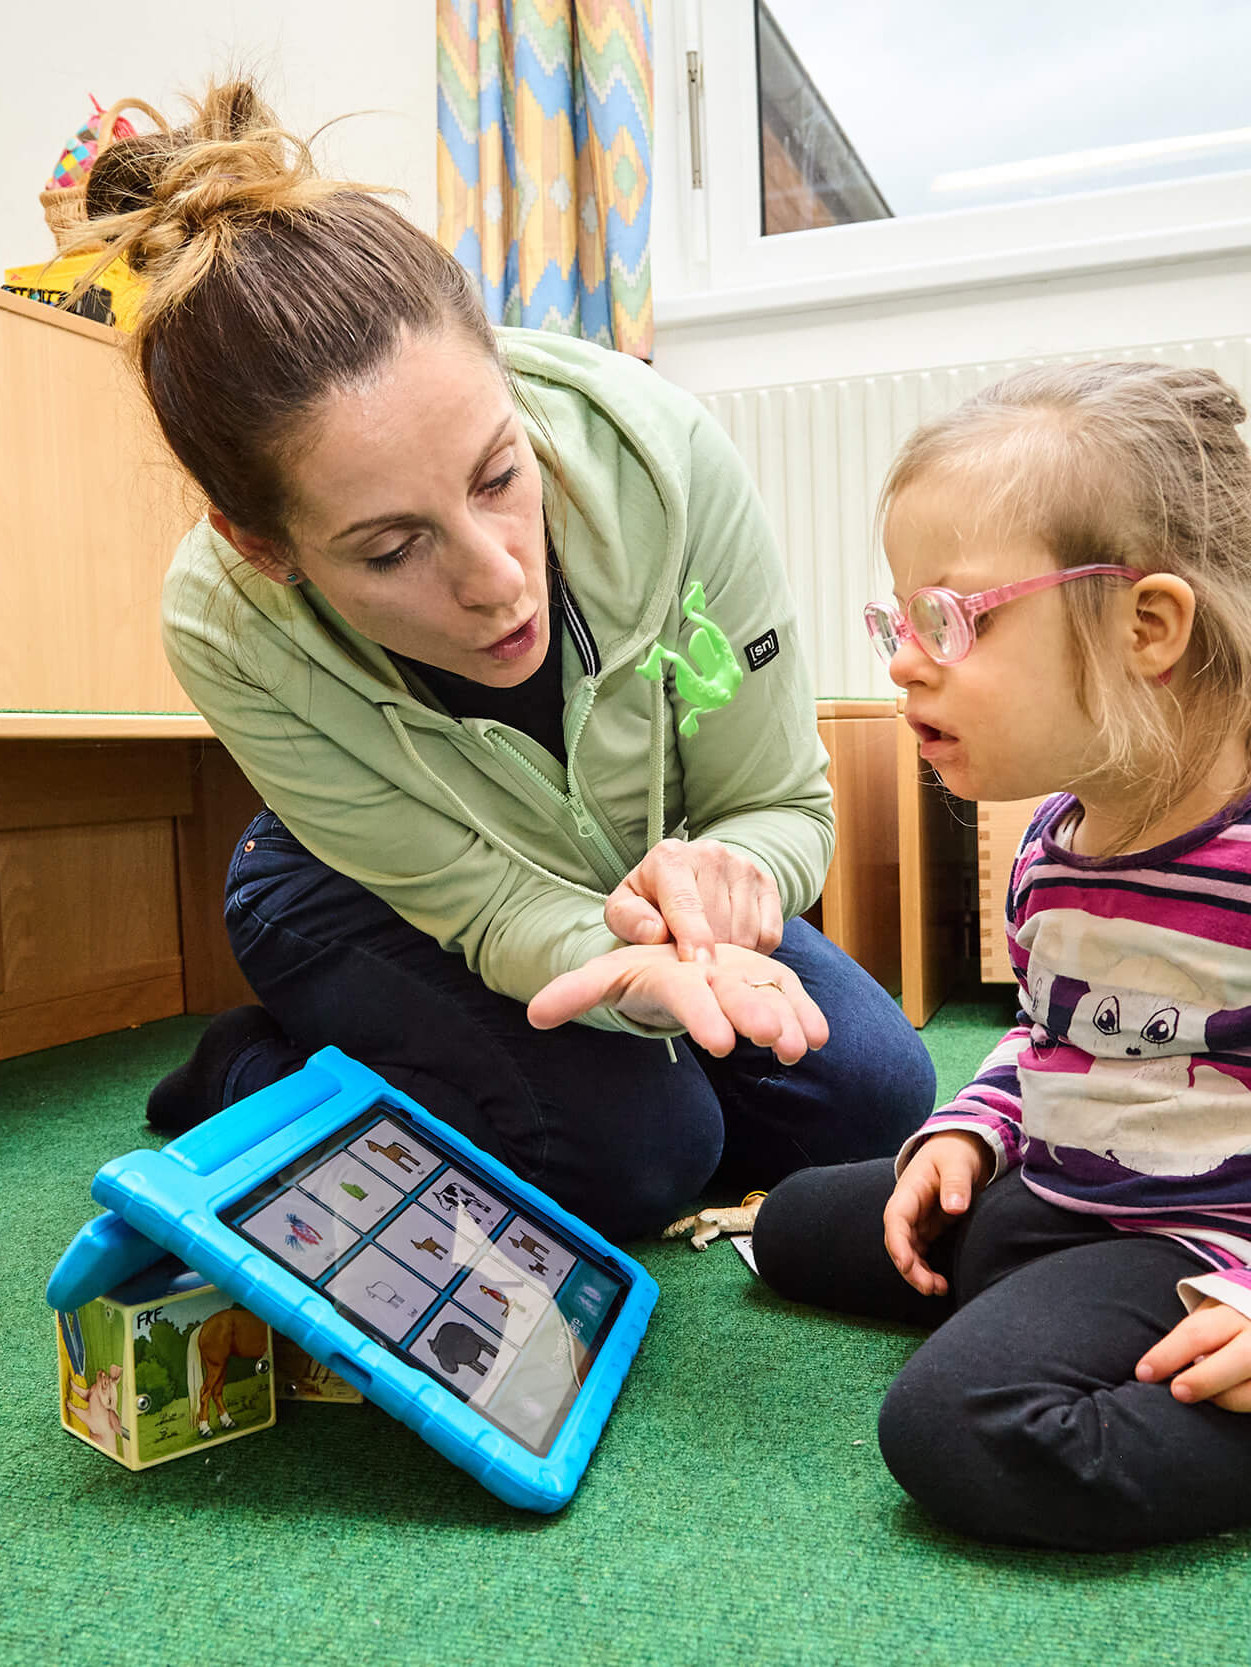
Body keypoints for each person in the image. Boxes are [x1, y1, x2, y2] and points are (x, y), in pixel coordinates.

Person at [73, 82, 935, 1244]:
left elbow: (777, 800)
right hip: (361, 892)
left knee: (874, 1100)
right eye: (392, 547)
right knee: (639, 1157)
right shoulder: (223, 620)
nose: (497, 580)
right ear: (263, 546)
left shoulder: (665, 458)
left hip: (607, 876)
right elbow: (489, 906)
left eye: (498, 476)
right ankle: (245, 1070)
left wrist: (736, 874)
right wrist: (629, 983)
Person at [744, 359, 1251, 1550]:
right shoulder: (1054, 844)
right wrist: (973, 1127)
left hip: (1200, 1239)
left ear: (1148, 627)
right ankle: (1022, 1289)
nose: (904, 659)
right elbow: (1045, 1033)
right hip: (1069, 1188)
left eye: (949, 619)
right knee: (794, 1226)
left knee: (956, 1423)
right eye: (897, 619)